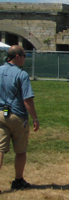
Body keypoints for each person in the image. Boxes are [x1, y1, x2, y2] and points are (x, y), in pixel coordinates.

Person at [0, 45, 40, 192]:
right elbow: (27, 99)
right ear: (17, 56)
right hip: (16, 115)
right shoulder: (21, 75)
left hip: (0, 114)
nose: (25, 57)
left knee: (0, 149)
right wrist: (35, 118)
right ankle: (18, 180)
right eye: (24, 55)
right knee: (21, 150)